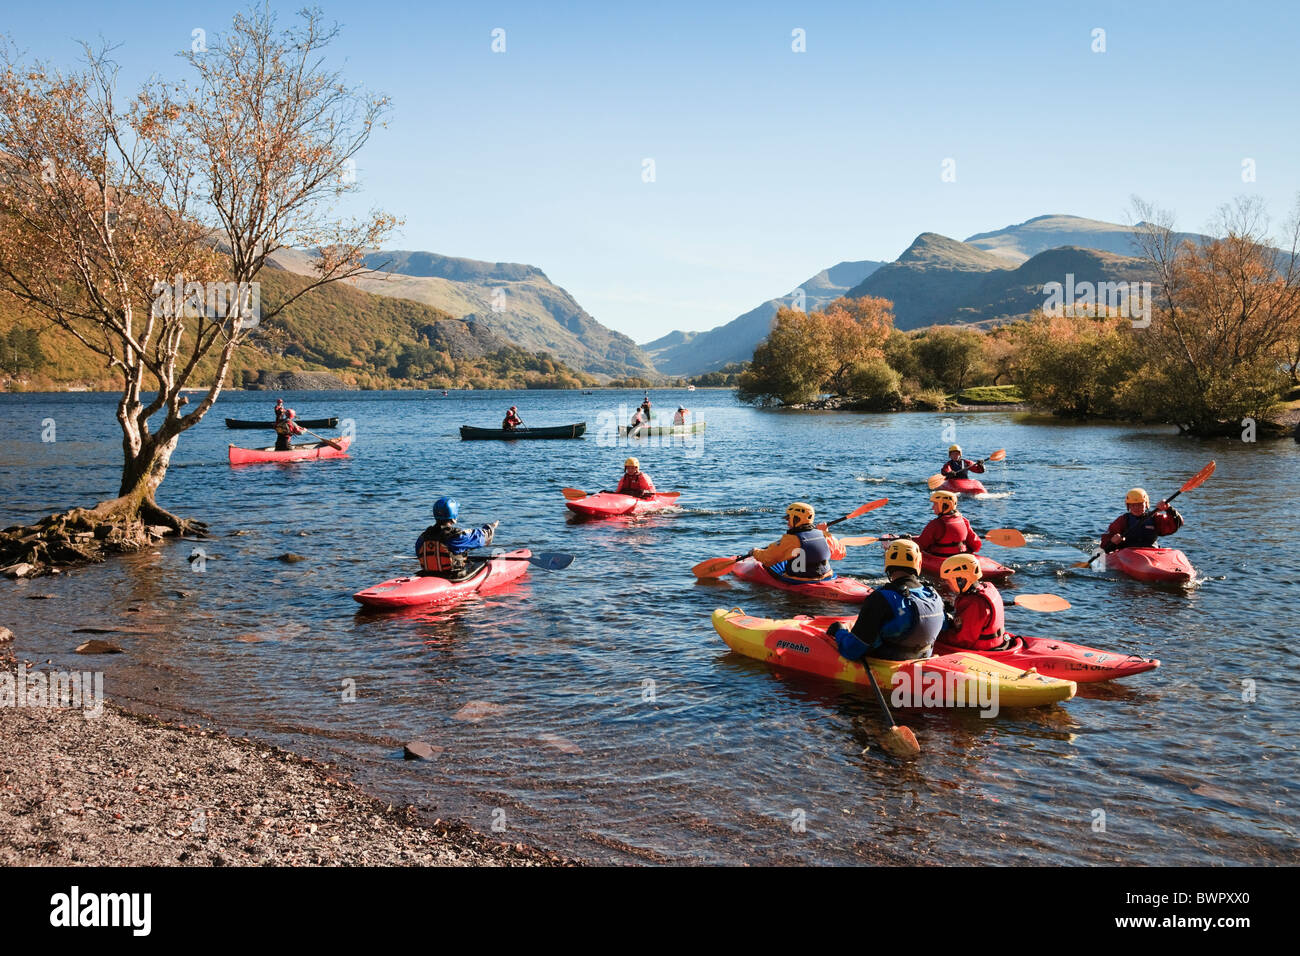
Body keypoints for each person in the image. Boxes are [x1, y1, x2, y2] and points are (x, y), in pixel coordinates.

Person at [827, 539, 944, 661]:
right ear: (918, 564)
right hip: (922, 658)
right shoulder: (934, 595)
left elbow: (852, 650)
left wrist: (839, 632)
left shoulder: (880, 598)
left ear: (887, 563)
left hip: (888, 662)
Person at [748, 502, 847, 582]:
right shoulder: (824, 535)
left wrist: (755, 552)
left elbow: (768, 558)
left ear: (797, 519)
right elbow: (841, 554)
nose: (787, 523)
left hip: (799, 580)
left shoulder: (791, 539)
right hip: (827, 576)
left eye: (789, 518)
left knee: (766, 564)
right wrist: (826, 532)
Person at [937, 554, 1009, 651]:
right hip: (996, 642)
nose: (947, 584)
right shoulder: (987, 586)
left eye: (948, 581)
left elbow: (963, 641)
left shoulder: (974, 603)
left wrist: (936, 634)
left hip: (983, 649)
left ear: (961, 580)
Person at [415, 497, 499, 579]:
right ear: (454, 514)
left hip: (428, 574)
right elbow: (480, 538)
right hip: (452, 576)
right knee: (479, 563)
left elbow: (419, 554)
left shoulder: (423, 537)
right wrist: (491, 528)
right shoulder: (456, 537)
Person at [1101, 488, 1183, 553]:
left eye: (1140, 504)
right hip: (1128, 555)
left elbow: (1176, 524)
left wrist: (1169, 509)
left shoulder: (1155, 518)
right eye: (1133, 505)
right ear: (1128, 506)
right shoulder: (1122, 520)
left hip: (1152, 553)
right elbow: (1105, 546)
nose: (1136, 508)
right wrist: (1112, 541)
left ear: (1146, 504)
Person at [913, 490, 981, 558]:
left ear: (944, 505)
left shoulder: (935, 524)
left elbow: (920, 545)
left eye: (935, 504)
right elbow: (976, 545)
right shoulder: (964, 521)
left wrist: (909, 542)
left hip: (940, 559)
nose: (932, 507)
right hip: (960, 557)